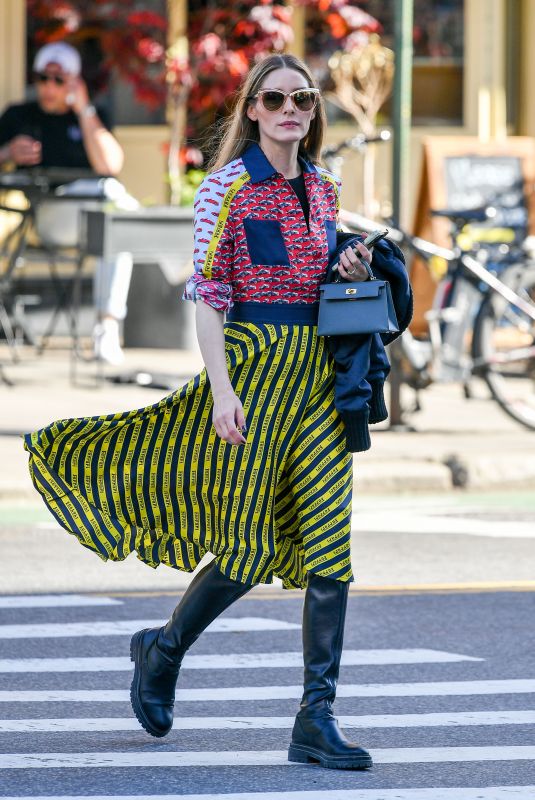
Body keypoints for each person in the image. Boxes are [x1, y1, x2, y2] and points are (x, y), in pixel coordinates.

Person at [23, 53, 410, 770]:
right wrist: (222, 390)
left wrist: (349, 268)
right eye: (276, 99)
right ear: (253, 109)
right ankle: (163, 649)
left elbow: (318, 278)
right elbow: (208, 294)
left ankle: (314, 717)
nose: (292, 108)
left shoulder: (324, 186)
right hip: (253, 377)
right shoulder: (225, 188)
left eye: (302, 98)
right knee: (247, 550)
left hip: (319, 388)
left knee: (331, 553)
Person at [0, 41, 134, 364]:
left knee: (116, 214)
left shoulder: (93, 115)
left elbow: (111, 166)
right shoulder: (19, 116)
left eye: (59, 80)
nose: (49, 87)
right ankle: (165, 253)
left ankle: (106, 327)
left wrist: (84, 109)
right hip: (36, 218)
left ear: (74, 82)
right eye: (43, 78)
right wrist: (7, 153)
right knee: (121, 211)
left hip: (88, 220)